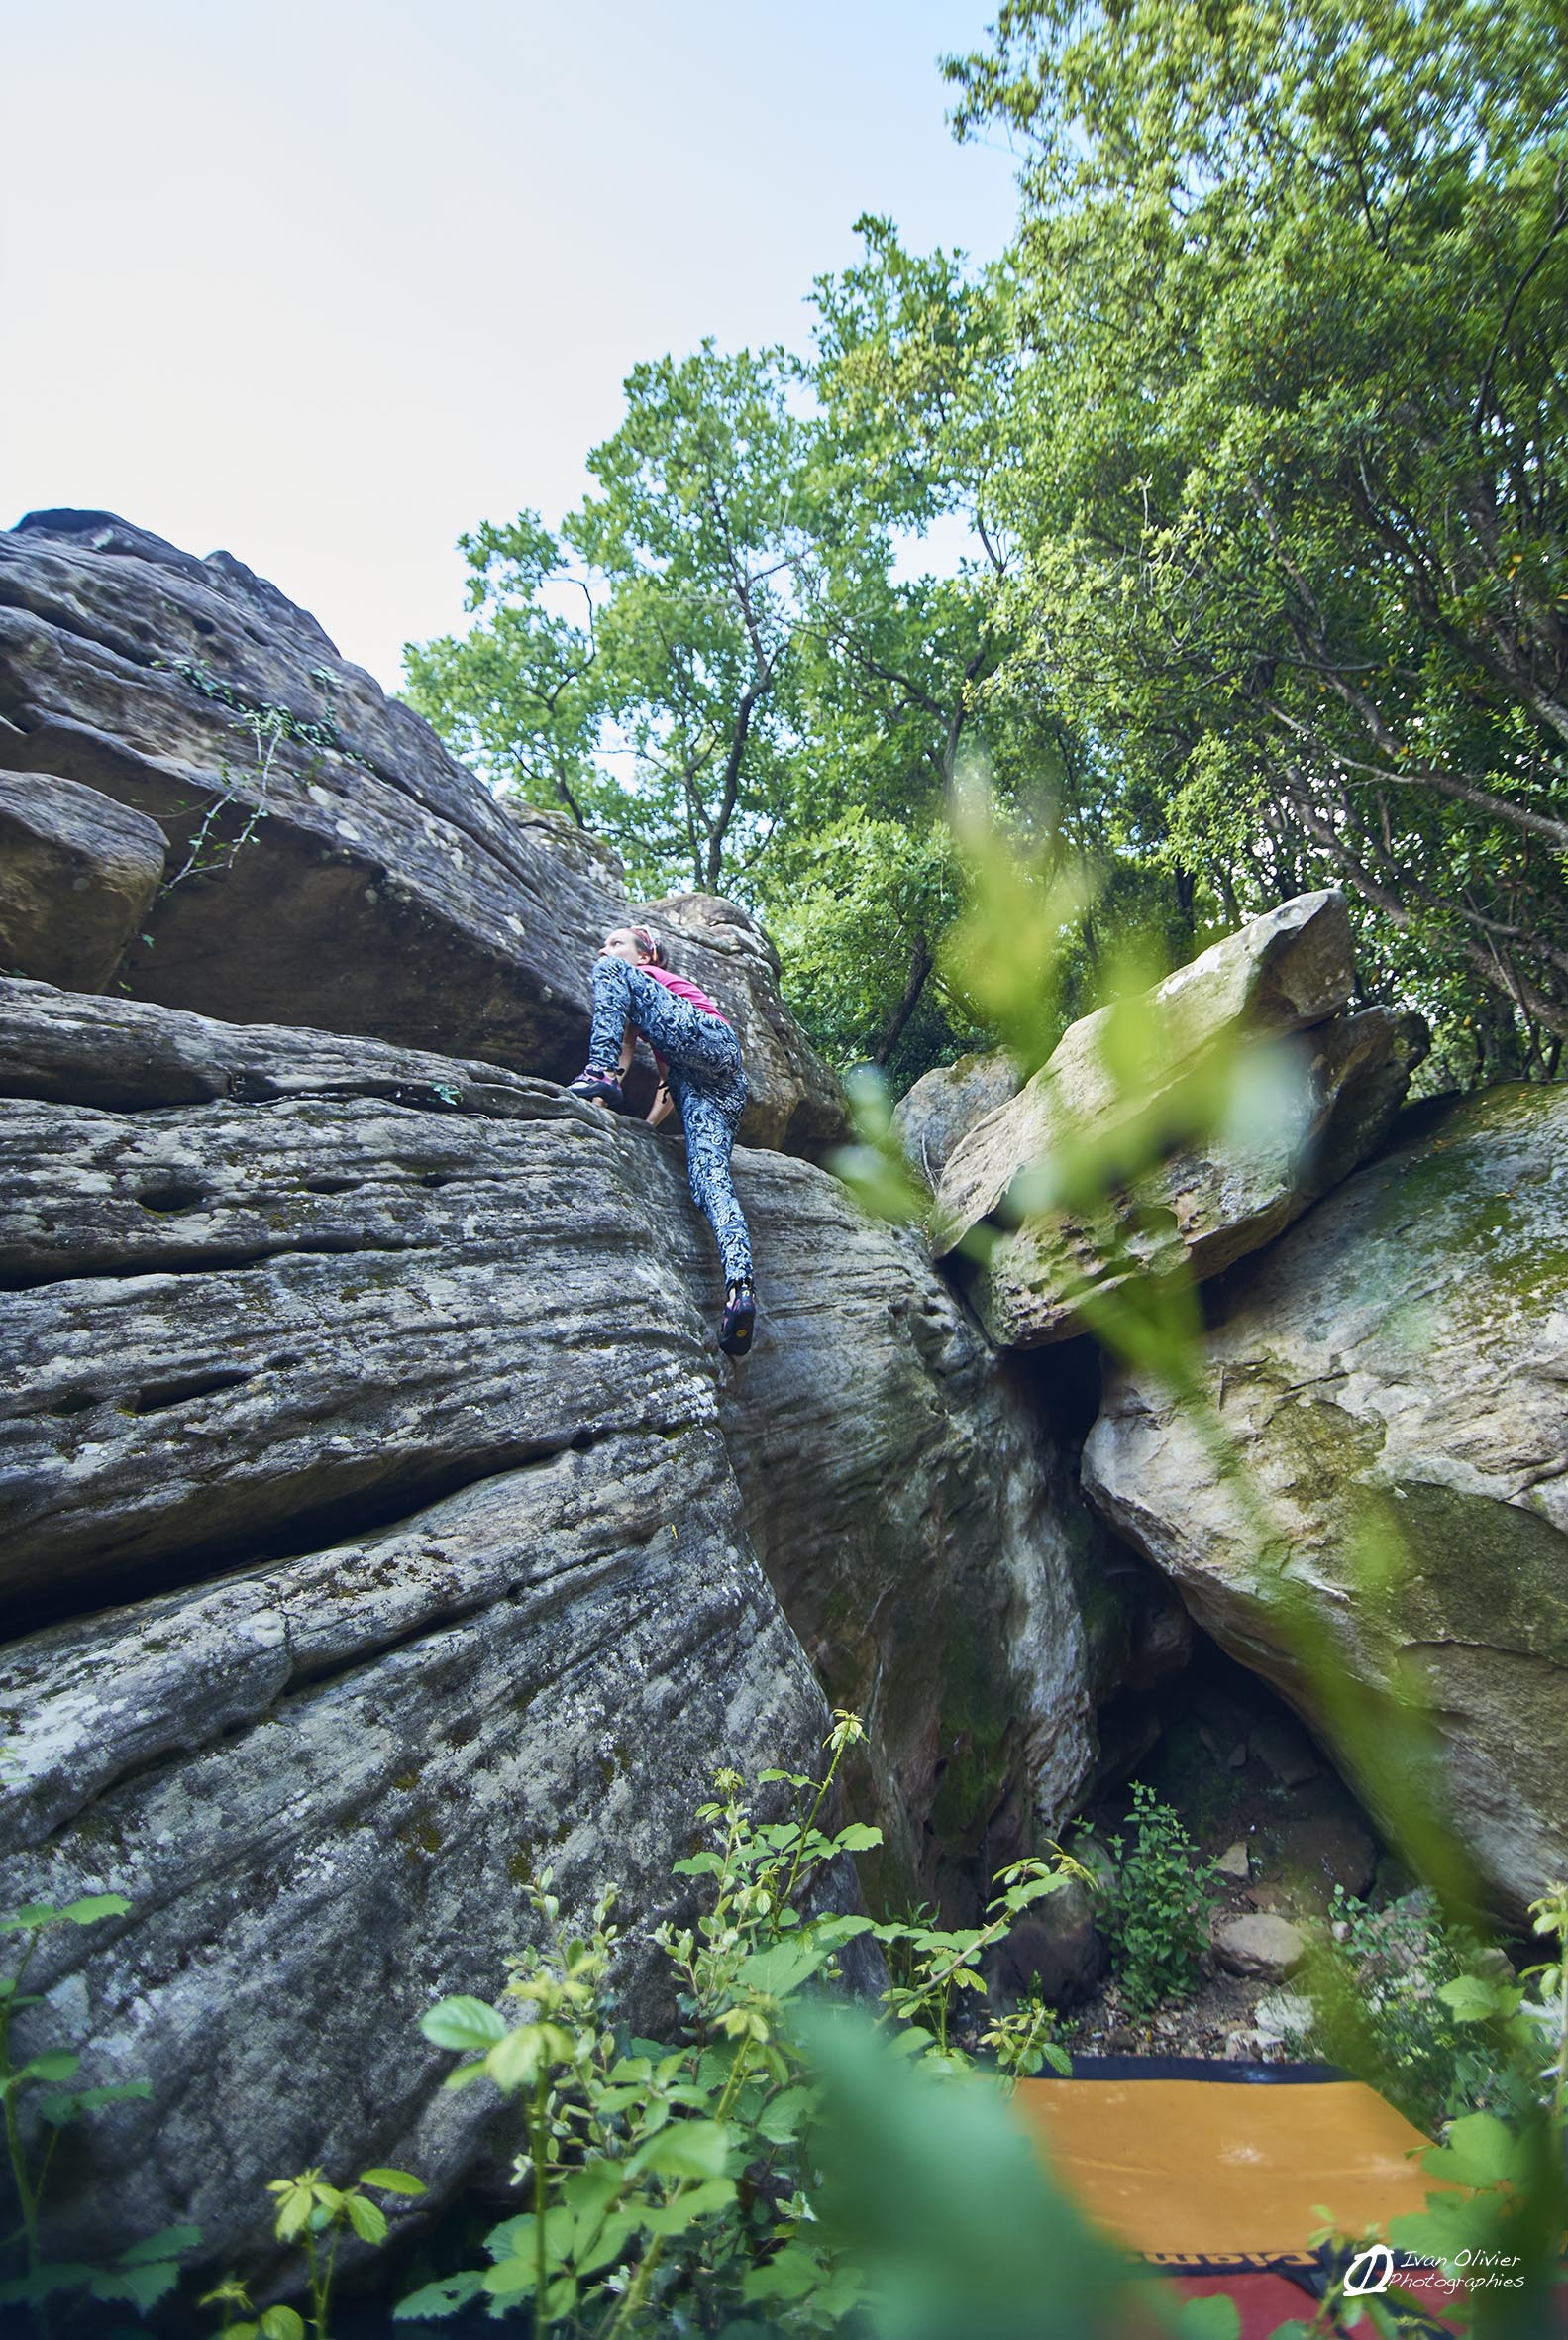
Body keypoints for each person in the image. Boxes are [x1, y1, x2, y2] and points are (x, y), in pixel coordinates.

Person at [569, 925, 758, 1357]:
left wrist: (602, 1075)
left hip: (710, 1040)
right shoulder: (642, 1004)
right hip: (716, 1088)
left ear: (645, 957)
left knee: (607, 972)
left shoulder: (647, 978)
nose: (605, 950)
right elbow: (654, 1077)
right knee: (710, 1181)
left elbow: (621, 1052)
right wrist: (629, 1120)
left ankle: (596, 1071)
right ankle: (740, 1291)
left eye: (616, 944)